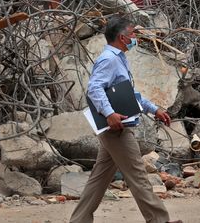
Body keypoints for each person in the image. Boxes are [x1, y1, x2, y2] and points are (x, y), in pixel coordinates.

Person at [69, 16, 182, 223]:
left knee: (99, 178)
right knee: (138, 175)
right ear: (122, 37)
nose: (135, 37)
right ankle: (159, 220)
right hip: (117, 128)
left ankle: (79, 220)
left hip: (114, 128)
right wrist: (109, 113)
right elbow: (94, 88)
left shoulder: (118, 58)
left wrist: (153, 108)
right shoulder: (109, 59)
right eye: (132, 34)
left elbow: (129, 93)